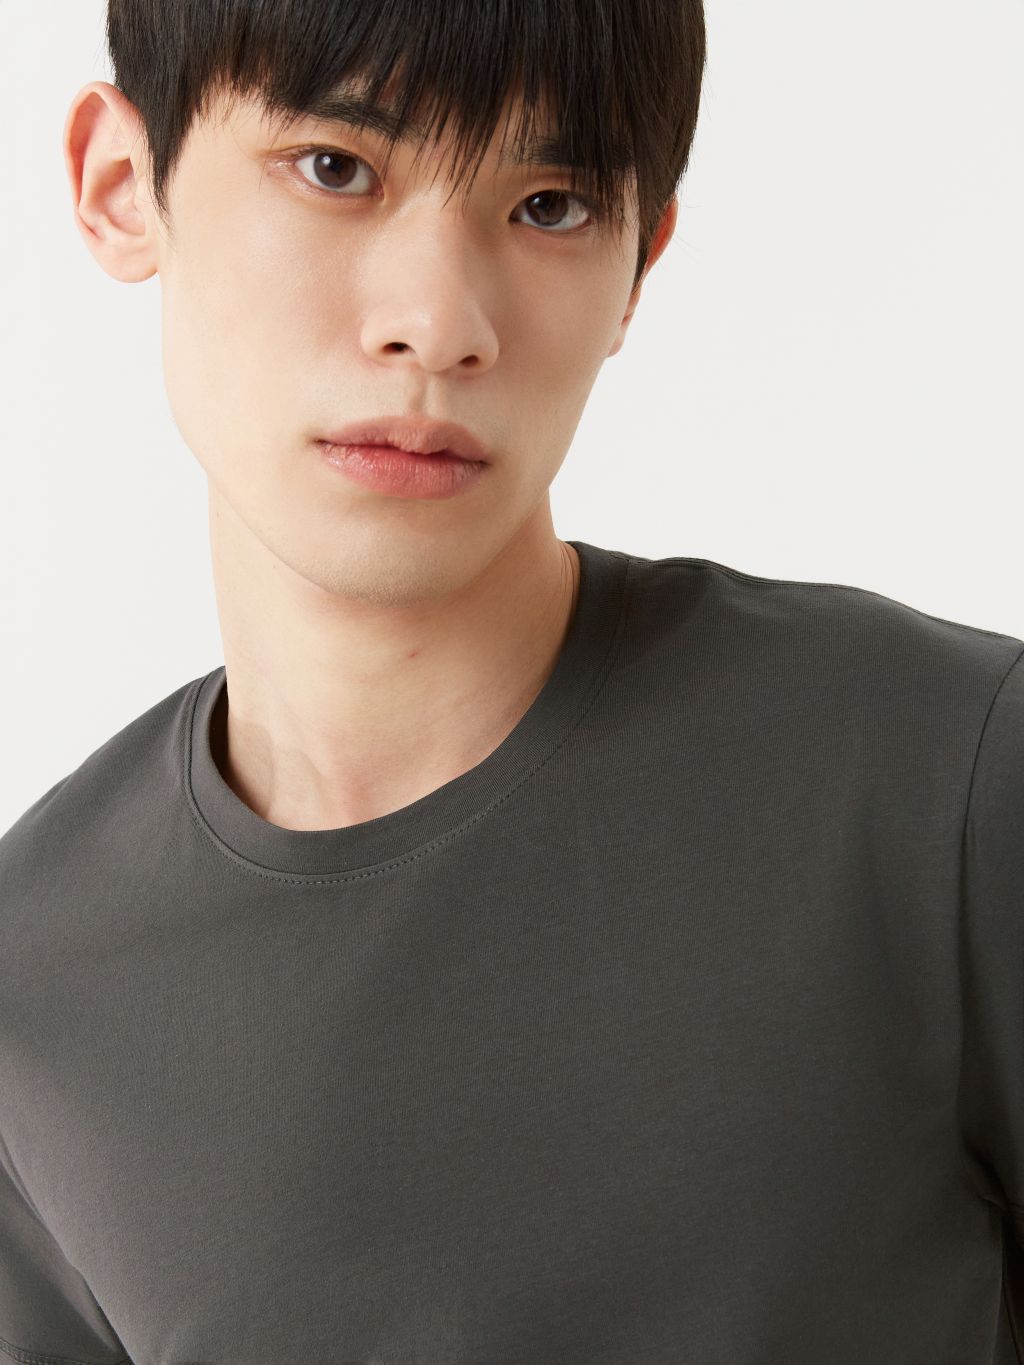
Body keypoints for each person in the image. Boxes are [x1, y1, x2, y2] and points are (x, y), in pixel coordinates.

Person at [1, 1, 1021, 1361]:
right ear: (123, 185)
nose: (439, 324)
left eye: (550, 206)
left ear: (640, 265)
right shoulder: (33, 983)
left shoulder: (944, 784)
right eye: (336, 168)